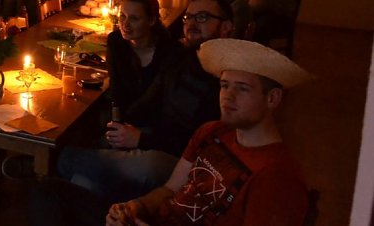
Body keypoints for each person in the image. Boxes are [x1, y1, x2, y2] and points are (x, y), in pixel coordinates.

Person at [47, 0, 232, 214]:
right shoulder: (181, 58)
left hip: (184, 162)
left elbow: (202, 144)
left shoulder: (227, 77)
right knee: (84, 181)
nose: (192, 22)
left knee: (77, 162)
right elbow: (147, 102)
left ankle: (55, 161)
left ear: (226, 27)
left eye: (202, 17)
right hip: (155, 139)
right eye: (189, 17)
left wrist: (141, 139)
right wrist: (127, 130)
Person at [105, 38, 311, 226]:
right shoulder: (211, 131)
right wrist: (137, 207)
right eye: (224, 85)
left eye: (242, 88)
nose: (227, 97)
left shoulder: (277, 176)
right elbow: (170, 189)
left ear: (272, 98)